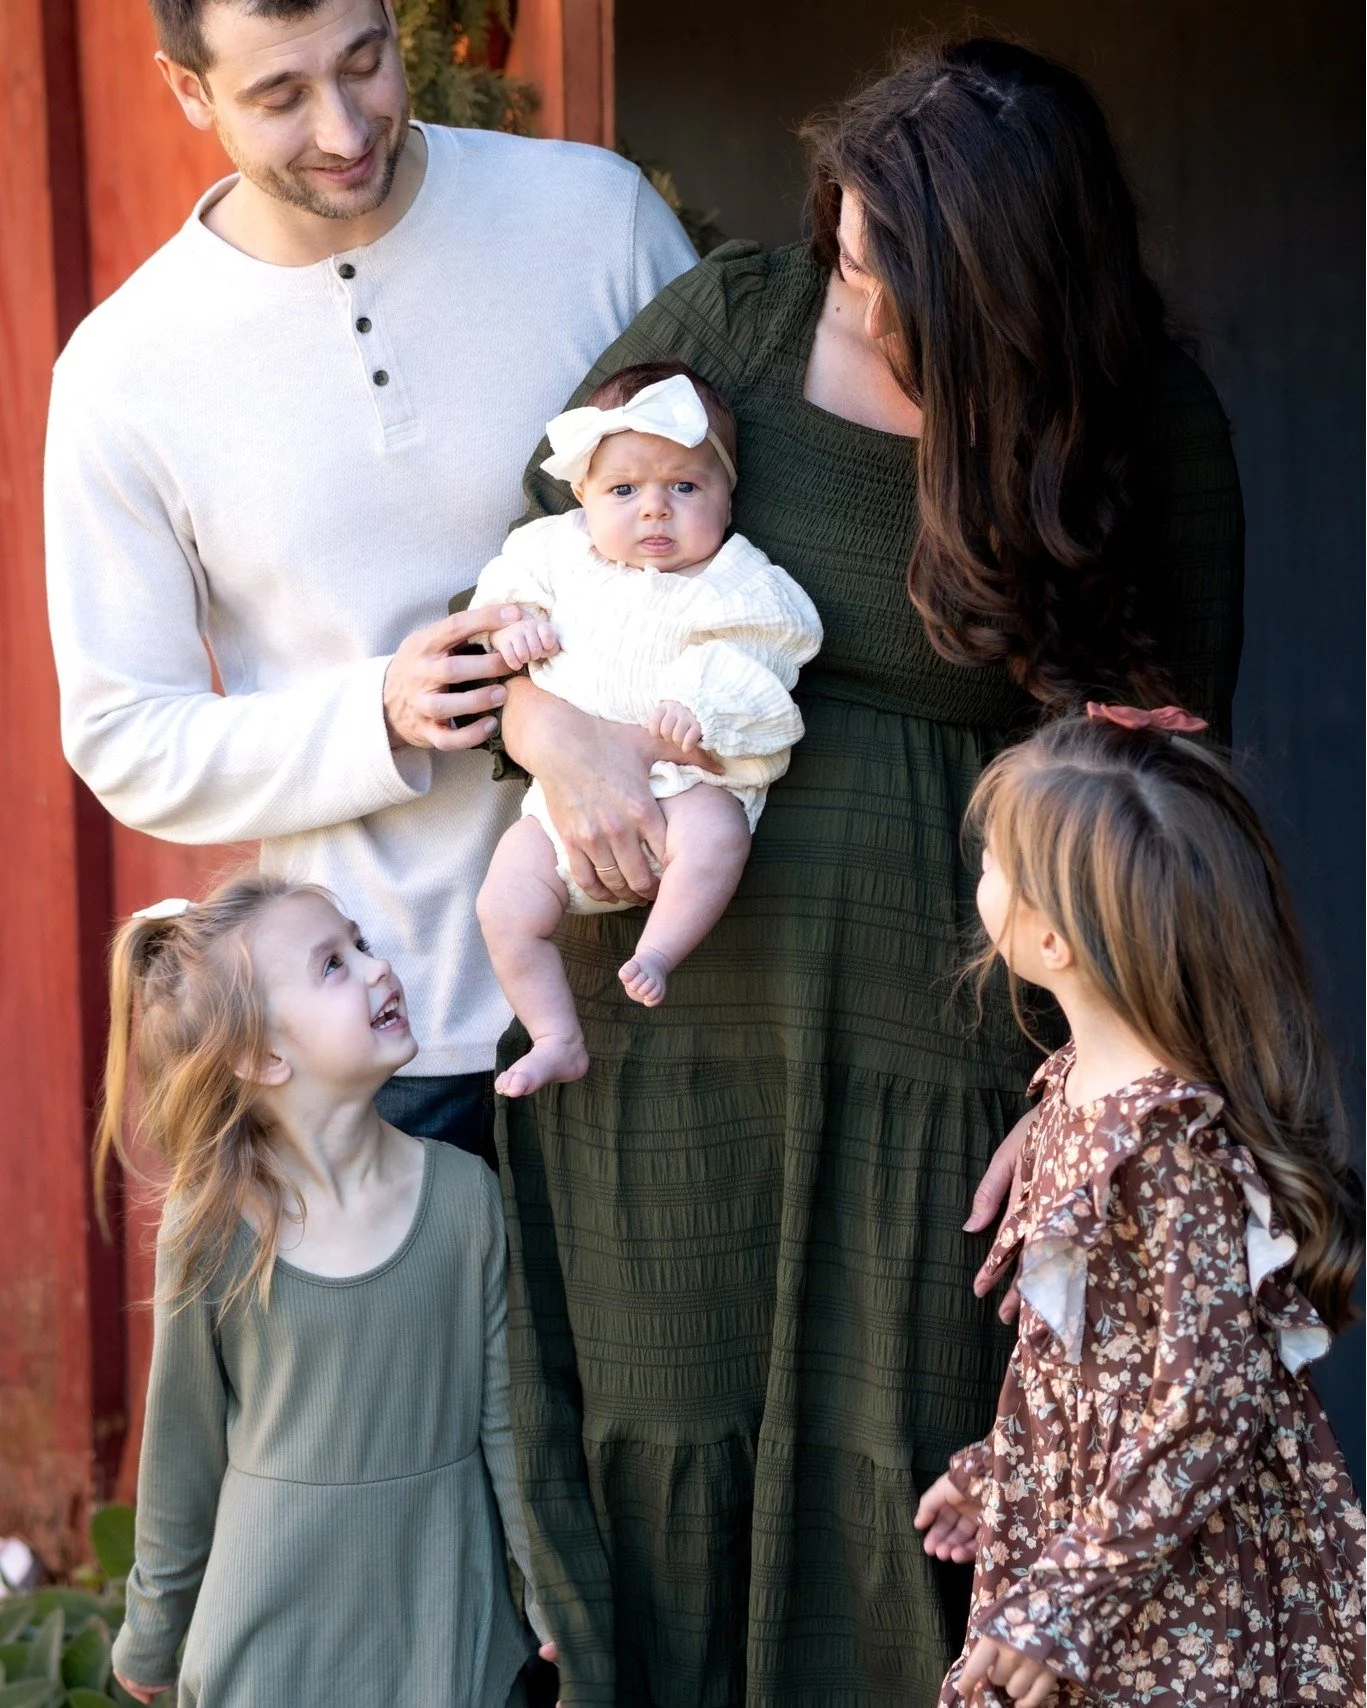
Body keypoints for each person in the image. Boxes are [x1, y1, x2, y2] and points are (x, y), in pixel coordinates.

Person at [493, 39, 1246, 1706]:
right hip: (669, 1030)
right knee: (670, 1431)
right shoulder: (738, 327)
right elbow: (516, 592)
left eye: (904, 282)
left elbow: (1164, 814)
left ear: (1017, 289)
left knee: (914, 1455)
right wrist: (554, 735)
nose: (862, 297)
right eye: (849, 252)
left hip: (952, 1035)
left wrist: (1094, 1099)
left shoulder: (1136, 423)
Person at [43, 0, 696, 1169]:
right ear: (189, 92)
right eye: (281, 96)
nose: (346, 128)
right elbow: (123, 736)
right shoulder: (123, 370)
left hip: (678, 973)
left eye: (365, 62)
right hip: (390, 1029)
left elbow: (740, 523)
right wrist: (375, 715)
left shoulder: (593, 218)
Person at [915, 706, 1365, 1708]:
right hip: (1103, 1546)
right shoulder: (1075, 1085)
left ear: (1046, 937)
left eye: (992, 860)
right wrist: (1002, 1474)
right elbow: (1095, 1362)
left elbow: (1207, 1404)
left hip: (1170, 1598)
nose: (976, 874)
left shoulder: (1163, 1144)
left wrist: (1065, 1605)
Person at [99, 877, 547, 1707]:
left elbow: (502, 1417)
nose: (379, 971)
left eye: (362, 945)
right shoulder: (215, 1231)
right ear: (264, 1057)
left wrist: (545, 1584)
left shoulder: (464, 1196)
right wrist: (154, 1626)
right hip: (273, 1627)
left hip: (440, 1607)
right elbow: (182, 1450)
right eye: (333, 966)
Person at [471, 366, 822, 1095]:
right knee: (502, 904)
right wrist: (516, 627)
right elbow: (501, 596)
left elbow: (762, 653)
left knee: (716, 833)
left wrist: (700, 706)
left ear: (728, 496)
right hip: (560, 805)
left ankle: (659, 949)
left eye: (684, 488)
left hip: (682, 782)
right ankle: (554, 1035)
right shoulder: (555, 552)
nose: (654, 510)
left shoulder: (737, 580)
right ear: (583, 496)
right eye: (624, 490)